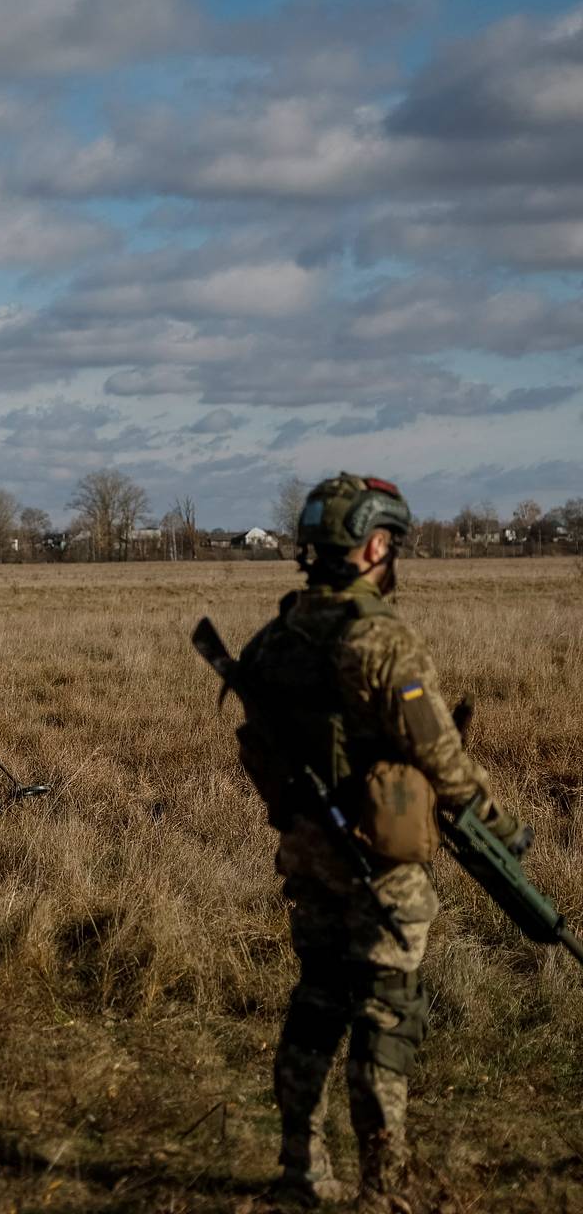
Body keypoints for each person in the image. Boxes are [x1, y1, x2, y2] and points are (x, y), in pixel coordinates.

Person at [232, 474, 529, 1212]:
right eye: (390, 542)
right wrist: (502, 831)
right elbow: (442, 761)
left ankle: (301, 1170)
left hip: (306, 851)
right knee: (385, 1015)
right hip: (380, 863)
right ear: (371, 545)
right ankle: (385, 1188)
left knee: (315, 1003)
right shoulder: (381, 639)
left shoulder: (272, 639)